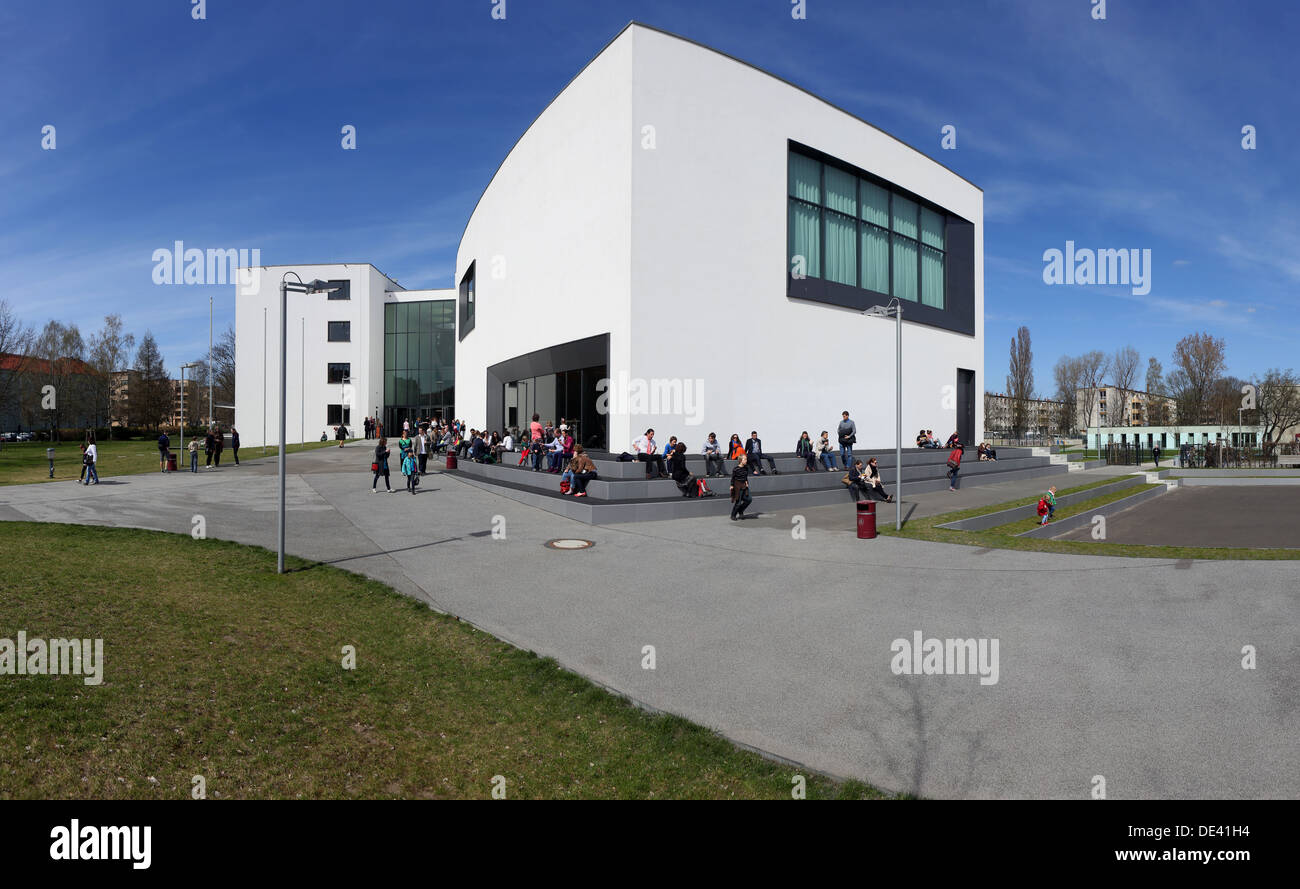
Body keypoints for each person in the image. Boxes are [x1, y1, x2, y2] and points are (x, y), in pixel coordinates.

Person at [729, 453, 752, 520]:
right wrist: (731, 485)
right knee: (738, 503)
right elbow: (733, 478)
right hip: (737, 486)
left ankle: (740, 510)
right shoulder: (735, 469)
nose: (746, 460)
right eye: (745, 459)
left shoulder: (746, 468)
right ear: (741, 460)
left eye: (746, 459)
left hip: (744, 486)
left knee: (749, 499)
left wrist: (747, 482)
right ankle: (733, 515)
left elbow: (745, 477)